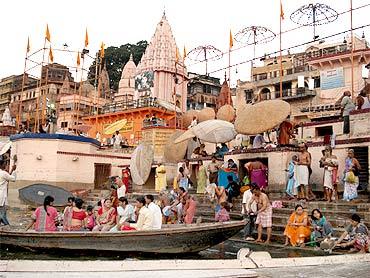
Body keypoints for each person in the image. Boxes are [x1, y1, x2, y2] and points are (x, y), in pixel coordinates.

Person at [0, 161, 16, 227]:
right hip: (1, 196)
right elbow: (13, 178)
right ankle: (8, 226)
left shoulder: (3, 173)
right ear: (1, 165)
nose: (6, 166)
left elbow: (7, 176)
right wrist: (14, 171)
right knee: (2, 214)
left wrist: (12, 170)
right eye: (5, 165)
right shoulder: (3, 173)